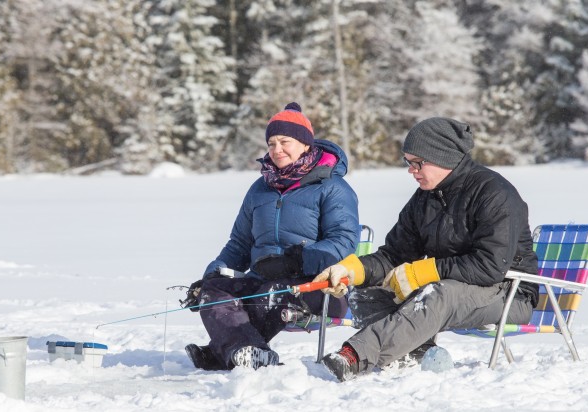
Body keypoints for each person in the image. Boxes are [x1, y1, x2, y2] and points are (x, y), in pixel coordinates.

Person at [313, 117, 539, 381]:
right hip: (452, 289)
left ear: (443, 157)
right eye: (408, 162)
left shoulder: (494, 193)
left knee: (436, 293)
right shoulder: (425, 197)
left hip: (509, 292)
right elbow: (394, 254)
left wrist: (424, 271)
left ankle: (355, 355)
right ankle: (416, 354)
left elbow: (489, 266)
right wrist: (353, 269)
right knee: (367, 293)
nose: (412, 170)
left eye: (418, 162)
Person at [184, 102, 360, 371]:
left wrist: (296, 261)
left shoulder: (332, 187)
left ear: (304, 143)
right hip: (263, 279)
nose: (277, 150)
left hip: (319, 287)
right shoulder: (260, 189)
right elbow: (240, 243)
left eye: (284, 141)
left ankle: (228, 352)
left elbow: (343, 242)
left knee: (272, 292)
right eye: (271, 143)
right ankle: (243, 351)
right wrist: (212, 274)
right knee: (214, 292)